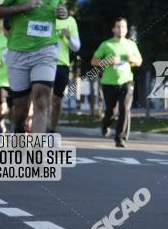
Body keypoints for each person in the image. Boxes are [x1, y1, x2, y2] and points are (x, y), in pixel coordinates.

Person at [0, 0, 68, 134]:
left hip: (46, 50)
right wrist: (22, 7)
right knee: (20, 109)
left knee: (41, 99)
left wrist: (64, 13)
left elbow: (61, 10)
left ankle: (38, 150)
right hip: (18, 52)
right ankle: (18, 130)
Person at [92, 17, 142, 148]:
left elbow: (139, 61)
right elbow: (94, 61)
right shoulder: (106, 44)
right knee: (111, 111)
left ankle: (120, 138)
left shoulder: (131, 45)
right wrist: (106, 62)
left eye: (123, 27)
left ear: (126, 29)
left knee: (124, 109)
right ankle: (105, 123)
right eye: (118, 26)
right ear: (113, 29)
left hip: (126, 81)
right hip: (109, 83)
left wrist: (133, 60)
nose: (121, 29)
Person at [49, 10, 81, 133]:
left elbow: (76, 47)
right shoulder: (44, 17)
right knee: (43, 97)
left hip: (62, 65)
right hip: (44, 63)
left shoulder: (70, 21)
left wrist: (69, 37)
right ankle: (41, 129)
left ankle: (51, 129)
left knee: (56, 101)